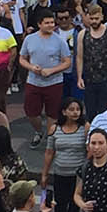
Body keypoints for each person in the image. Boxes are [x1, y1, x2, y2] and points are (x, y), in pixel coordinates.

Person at [40, 96, 88, 212]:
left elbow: (88, 152)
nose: (75, 112)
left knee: (74, 211)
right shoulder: (55, 129)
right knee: (60, 210)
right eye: (71, 109)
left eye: (78, 109)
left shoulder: (85, 128)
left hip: (78, 177)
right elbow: (49, 152)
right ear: (64, 111)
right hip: (60, 175)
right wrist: (45, 174)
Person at [18, 10, 72, 148]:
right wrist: (31, 67)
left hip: (54, 82)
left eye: (52, 23)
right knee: (31, 112)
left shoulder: (59, 40)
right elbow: (22, 59)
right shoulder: (30, 39)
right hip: (34, 81)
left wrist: (52, 71)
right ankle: (38, 131)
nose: (50, 25)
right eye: (47, 23)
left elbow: (67, 62)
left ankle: (50, 138)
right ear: (39, 24)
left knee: (53, 113)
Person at [77, 3, 107, 121]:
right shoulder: (82, 34)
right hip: (89, 79)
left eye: (96, 18)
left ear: (102, 17)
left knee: (105, 111)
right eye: (91, 18)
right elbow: (80, 57)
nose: (94, 21)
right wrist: (79, 77)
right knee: (90, 111)